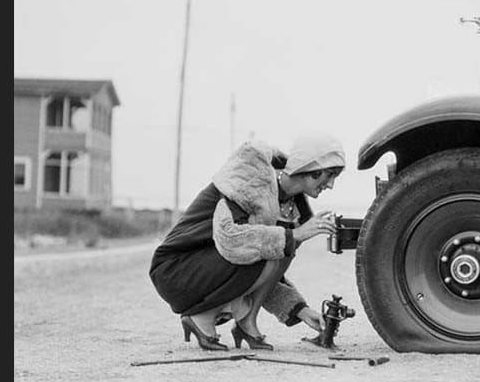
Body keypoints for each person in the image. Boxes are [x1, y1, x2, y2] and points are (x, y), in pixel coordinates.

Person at [148, 132, 345, 351]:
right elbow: (232, 240)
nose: (331, 185)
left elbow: (265, 269)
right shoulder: (250, 177)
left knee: (280, 248)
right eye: (330, 174)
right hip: (177, 269)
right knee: (277, 245)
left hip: (209, 267)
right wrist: (294, 236)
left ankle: (246, 323)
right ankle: (202, 318)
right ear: (312, 169)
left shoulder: (294, 207)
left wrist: (300, 309)